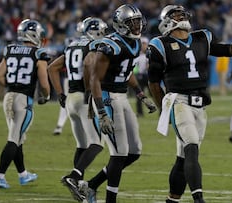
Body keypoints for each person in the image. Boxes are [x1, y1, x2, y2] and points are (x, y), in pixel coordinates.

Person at [147, 5, 232, 203]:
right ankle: (199, 199)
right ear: (166, 21)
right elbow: (153, 82)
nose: (182, 16)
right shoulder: (160, 44)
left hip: (200, 105)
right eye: (176, 14)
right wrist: (164, 109)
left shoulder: (202, 37)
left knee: (183, 157)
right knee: (191, 147)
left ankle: (172, 199)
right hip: (178, 102)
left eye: (182, 13)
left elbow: (230, 50)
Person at [78, 4, 157, 203]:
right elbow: (95, 79)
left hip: (122, 97)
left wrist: (141, 94)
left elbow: (126, 71)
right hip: (107, 97)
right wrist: (102, 112)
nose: (138, 26)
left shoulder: (136, 43)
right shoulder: (109, 45)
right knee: (119, 152)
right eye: (133, 22)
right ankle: (109, 199)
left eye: (139, 21)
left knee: (134, 151)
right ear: (122, 24)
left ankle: (91, 185)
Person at [48, 17, 108, 202]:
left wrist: (60, 93)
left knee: (82, 145)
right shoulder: (93, 46)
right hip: (83, 98)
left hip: (71, 99)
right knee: (97, 144)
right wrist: (90, 90)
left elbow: (52, 68)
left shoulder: (72, 45)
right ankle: (74, 176)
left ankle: (77, 185)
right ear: (96, 31)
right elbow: (89, 67)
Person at [0, 19, 50, 189]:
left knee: (18, 138)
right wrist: (45, 96)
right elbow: (45, 84)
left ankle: (23, 175)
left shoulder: (10, 49)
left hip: (8, 97)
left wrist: (12, 86)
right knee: (14, 138)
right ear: (33, 35)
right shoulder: (38, 53)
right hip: (23, 100)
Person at [134, 36, 150, 117]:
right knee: (139, 95)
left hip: (148, 76)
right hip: (139, 76)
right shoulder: (136, 55)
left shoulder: (150, 54)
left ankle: (161, 111)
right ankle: (140, 112)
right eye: (142, 44)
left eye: (144, 44)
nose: (143, 46)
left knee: (154, 93)